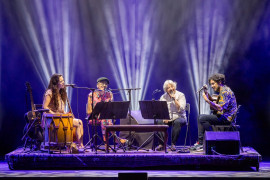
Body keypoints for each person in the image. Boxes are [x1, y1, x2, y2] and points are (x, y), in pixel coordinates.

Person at [193, 73, 237, 151]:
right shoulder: (224, 90)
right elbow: (215, 101)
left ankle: (211, 140)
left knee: (202, 118)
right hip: (224, 117)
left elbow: (220, 108)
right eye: (211, 84)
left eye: (213, 84)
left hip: (226, 119)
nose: (212, 86)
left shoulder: (225, 92)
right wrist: (207, 94)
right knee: (201, 117)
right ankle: (202, 142)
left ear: (219, 82)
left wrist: (206, 100)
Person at [42, 74, 84, 149]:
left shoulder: (61, 93)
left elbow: (61, 109)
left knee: (79, 122)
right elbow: (44, 107)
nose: (63, 82)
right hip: (52, 119)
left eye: (63, 80)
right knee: (78, 122)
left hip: (61, 118)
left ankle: (80, 145)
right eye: (61, 81)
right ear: (55, 83)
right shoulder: (49, 92)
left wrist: (66, 114)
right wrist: (54, 114)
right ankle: (71, 144)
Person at [156, 80, 187, 151]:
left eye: (172, 86)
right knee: (159, 121)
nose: (170, 89)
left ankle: (173, 144)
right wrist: (164, 117)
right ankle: (161, 144)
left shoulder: (181, 95)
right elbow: (161, 109)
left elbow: (181, 109)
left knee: (177, 122)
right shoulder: (163, 97)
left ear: (174, 87)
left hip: (179, 117)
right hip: (167, 117)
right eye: (168, 88)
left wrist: (174, 99)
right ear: (166, 90)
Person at [86, 77, 114, 144]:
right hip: (94, 117)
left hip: (106, 118)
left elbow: (112, 109)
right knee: (105, 120)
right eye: (102, 83)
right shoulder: (91, 95)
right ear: (97, 85)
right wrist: (98, 114)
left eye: (106, 84)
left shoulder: (109, 94)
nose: (104, 85)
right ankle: (108, 141)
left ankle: (108, 141)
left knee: (106, 119)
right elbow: (88, 111)